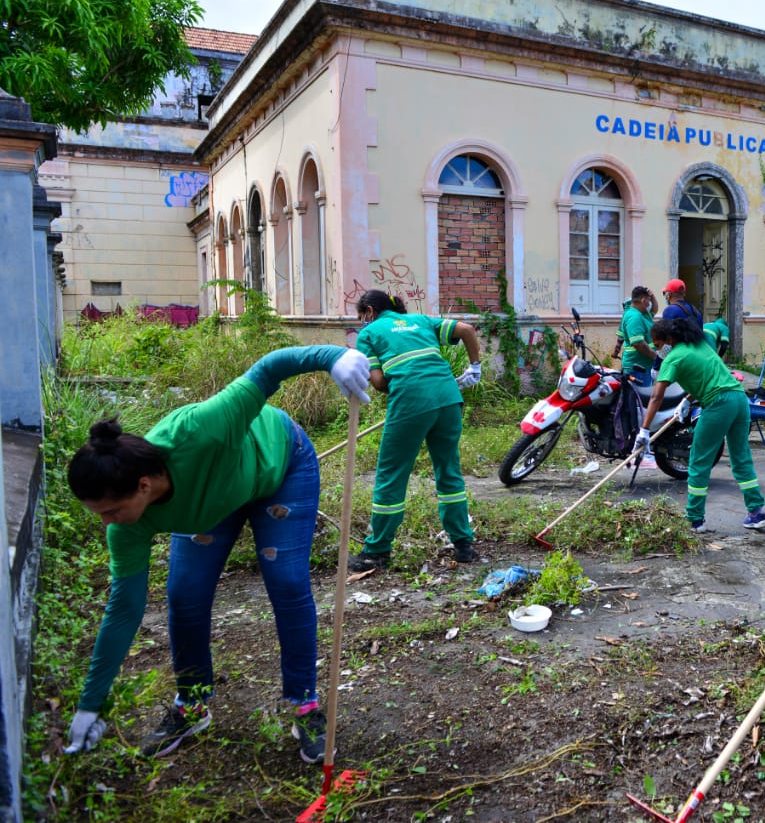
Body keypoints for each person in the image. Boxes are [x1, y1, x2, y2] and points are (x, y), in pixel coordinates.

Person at [63, 344, 372, 763]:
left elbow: (269, 368)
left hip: (279, 467)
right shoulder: (126, 524)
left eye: (111, 511)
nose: (107, 524)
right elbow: (124, 610)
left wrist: (336, 356)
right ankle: (191, 704)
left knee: (287, 581)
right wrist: (89, 704)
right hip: (213, 502)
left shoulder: (202, 429)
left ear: (143, 486)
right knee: (185, 594)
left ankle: (305, 705)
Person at [351, 290, 484, 572]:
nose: (362, 322)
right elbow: (466, 329)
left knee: (391, 474)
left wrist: (398, 372)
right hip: (448, 398)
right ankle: (464, 546)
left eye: (361, 316)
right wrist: (475, 367)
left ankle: (376, 552)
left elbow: (378, 383)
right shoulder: (421, 320)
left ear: (370, 312)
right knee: (448, 470)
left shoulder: (369, 333)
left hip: (411, 402)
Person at [638, 317, 765, 534]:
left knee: (698, 461)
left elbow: (656, 397)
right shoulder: (698, 345)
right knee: (741, 458)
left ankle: (695, 519)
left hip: (718, 404)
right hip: (739, 400)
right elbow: (709, 375)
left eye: (659, 345)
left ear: (669, 340)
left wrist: (644, 430)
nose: (658, 350)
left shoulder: (673, 358)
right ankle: (757, 513)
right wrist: (688, 400)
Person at [619, 285, 659, 385]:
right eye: (648, 301)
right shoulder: (634, 317)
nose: (650, 304)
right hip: (637, 369)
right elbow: (638, 343)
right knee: (639, 399)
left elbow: (654, 310)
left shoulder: (643, 314)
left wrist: (652, 296)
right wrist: (657, 358)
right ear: (643, 300)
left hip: (643, 367)